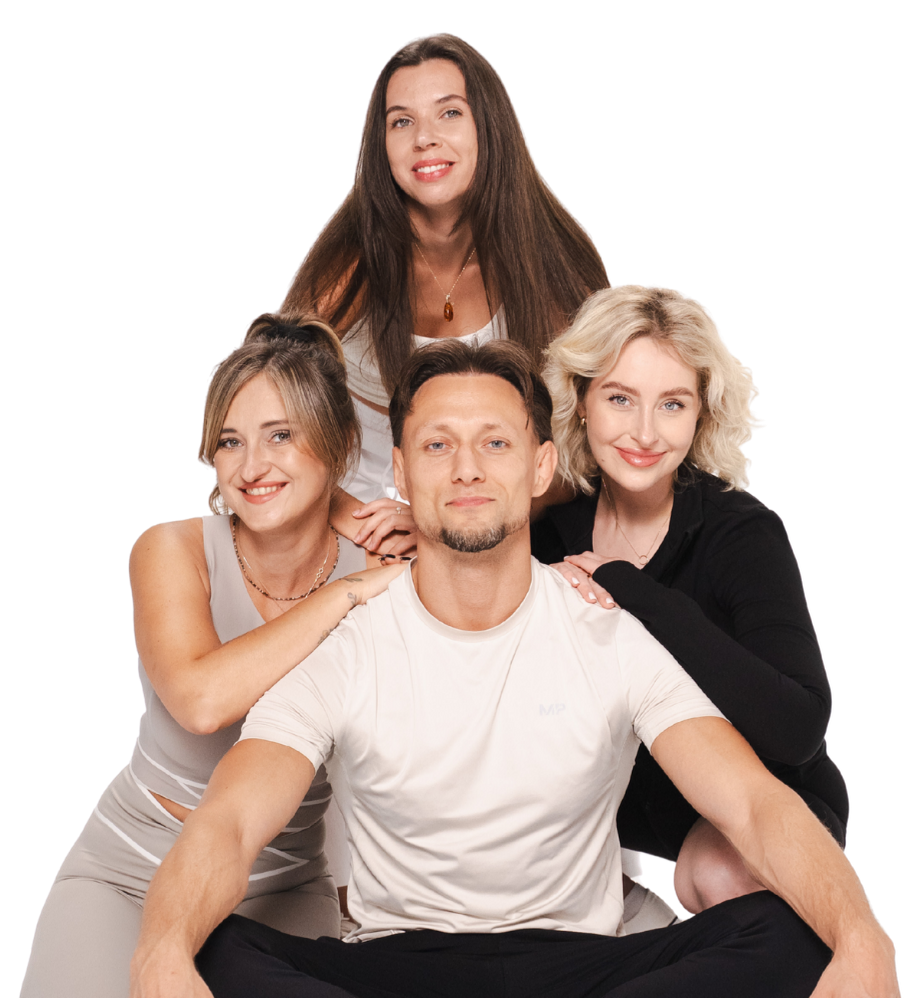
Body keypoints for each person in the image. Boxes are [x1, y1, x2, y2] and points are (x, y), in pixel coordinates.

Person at [129, 341, 898, 998]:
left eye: (494, 443)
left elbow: (752, 805)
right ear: (401, 471)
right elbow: (230, 822)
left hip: (582, 967)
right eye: (437, 446)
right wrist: (162, 952)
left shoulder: (611, 633)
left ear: (539, 466)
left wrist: (864, 937)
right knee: (207, 947)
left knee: (792, 930)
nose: (466, 468)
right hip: (400, 967)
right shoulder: (344, 647)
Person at [21, 318, 408, 998]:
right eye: (231, 441)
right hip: (129, 868)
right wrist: (344, 593)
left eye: (281, 435)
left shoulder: (385, 566)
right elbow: (200, 703)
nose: (251, 467)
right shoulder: (171, 549)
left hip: (285, 883)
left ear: (338, 441)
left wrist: (427, 538)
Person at [532, 284, 849, 917]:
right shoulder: (548, 534)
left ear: (701, 414)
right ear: (581, 401)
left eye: (672, 404)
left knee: (717, 873)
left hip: (764, 805)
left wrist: (633, 590)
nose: (645, 432)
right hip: (618, 816)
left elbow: (797, 730)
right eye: (619, 398)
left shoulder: (742, 532)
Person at [277, 31, 608, 510]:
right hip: (350, 507)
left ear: (488, 126)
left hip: (492, 510)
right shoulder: (352, 256)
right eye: (401, 121)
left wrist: (448, 526)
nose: (424, 138)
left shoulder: (549, 258)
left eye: (449, 113)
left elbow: (589, 442)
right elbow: (266, 396)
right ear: (381, 145)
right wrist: (347, 516)